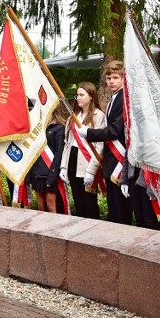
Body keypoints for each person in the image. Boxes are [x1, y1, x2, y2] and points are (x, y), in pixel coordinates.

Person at [79, 61, 132, 225]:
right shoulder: (113, 98)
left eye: (115, 77)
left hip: (120, 161)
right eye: (109, 78)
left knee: (121, 212)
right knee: (113, 210)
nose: (111, 81)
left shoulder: (125, 99)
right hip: (111, 161)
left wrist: (90, 133)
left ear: (123, 78)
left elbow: (116, 130)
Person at [60, 83, 106, 219]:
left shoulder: (99, 115)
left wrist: (91, 171)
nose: (78, 98)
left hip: (87, 162)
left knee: (89, 203)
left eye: (81, 95)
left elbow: (100, 146)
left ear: (91, 97)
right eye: (77, 95)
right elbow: (67, 144)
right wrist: (64, 166)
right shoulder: (73, 117)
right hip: (73, 160)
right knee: (78, 200)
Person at [30, 104, 66, 213]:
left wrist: (53, 175)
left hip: (50, 172)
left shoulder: (59, 128)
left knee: (51, 206)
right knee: (41, 207)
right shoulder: (36, 129)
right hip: (37, 172)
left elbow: (59, 153)